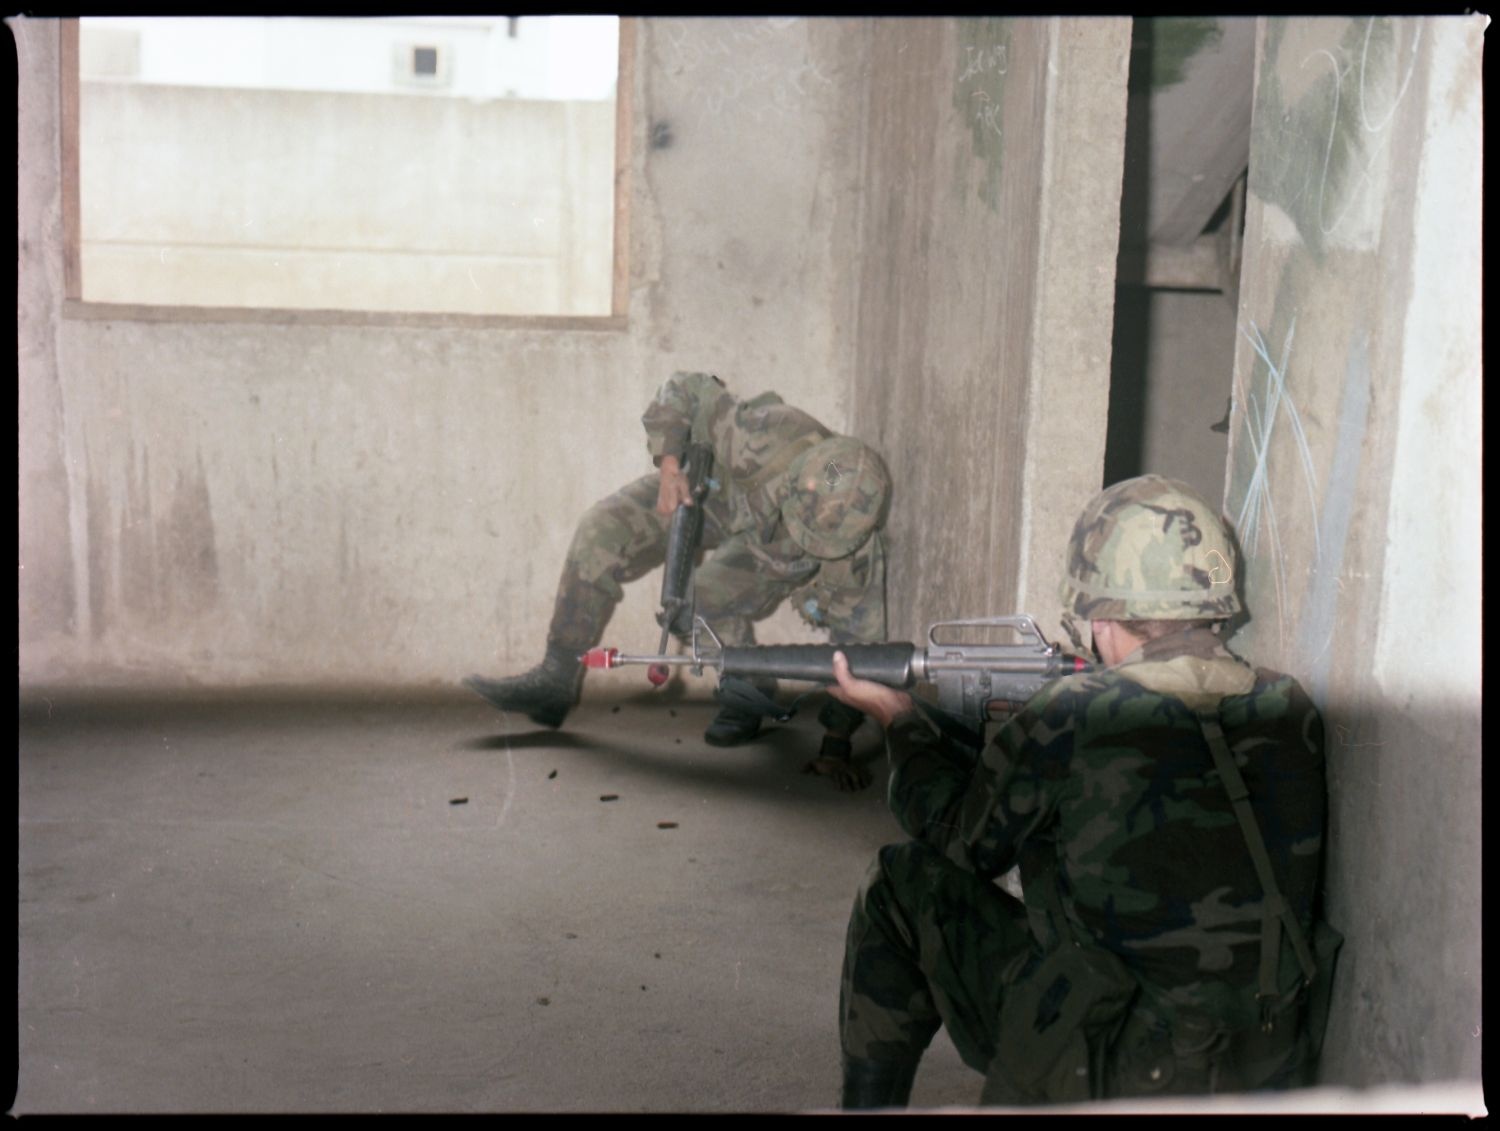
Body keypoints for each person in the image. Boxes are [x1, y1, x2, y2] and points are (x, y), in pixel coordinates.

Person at [823, 474, 1333, 1107]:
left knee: (897, 882)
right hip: (1262, 1063)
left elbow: (965, 842)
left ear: (1103, 612)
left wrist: (900, 722)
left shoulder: (1079, 711)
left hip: (1114, 1062)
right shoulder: (1289, 705)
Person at [465, 370, 893, 790]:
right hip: (710, 495)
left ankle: (745, 691)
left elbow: (857, 650)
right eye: (809, 532)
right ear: (797, 484)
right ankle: (555, 678)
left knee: (697, 602)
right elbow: (685, 387)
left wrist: (835, 746)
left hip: (765, 549)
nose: (816, 545)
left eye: (825, 543)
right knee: (601, 530)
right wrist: (670, 464)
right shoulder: (763, 436)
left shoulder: (854, 546)